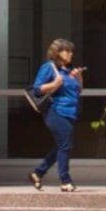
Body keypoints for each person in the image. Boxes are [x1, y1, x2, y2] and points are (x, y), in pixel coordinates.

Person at [25, 39, 83, 192]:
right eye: (67, 50)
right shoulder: (49, 68)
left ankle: (38, 173)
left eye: (72, 51)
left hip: (70, 113)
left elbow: (77, 91)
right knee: (65, 145)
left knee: (62, 146)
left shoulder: (69, 71)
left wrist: (79, 78)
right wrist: (54, 84)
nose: (71, 53)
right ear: (58, 52)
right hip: (56, 111)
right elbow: (37, 89)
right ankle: (65, 180)